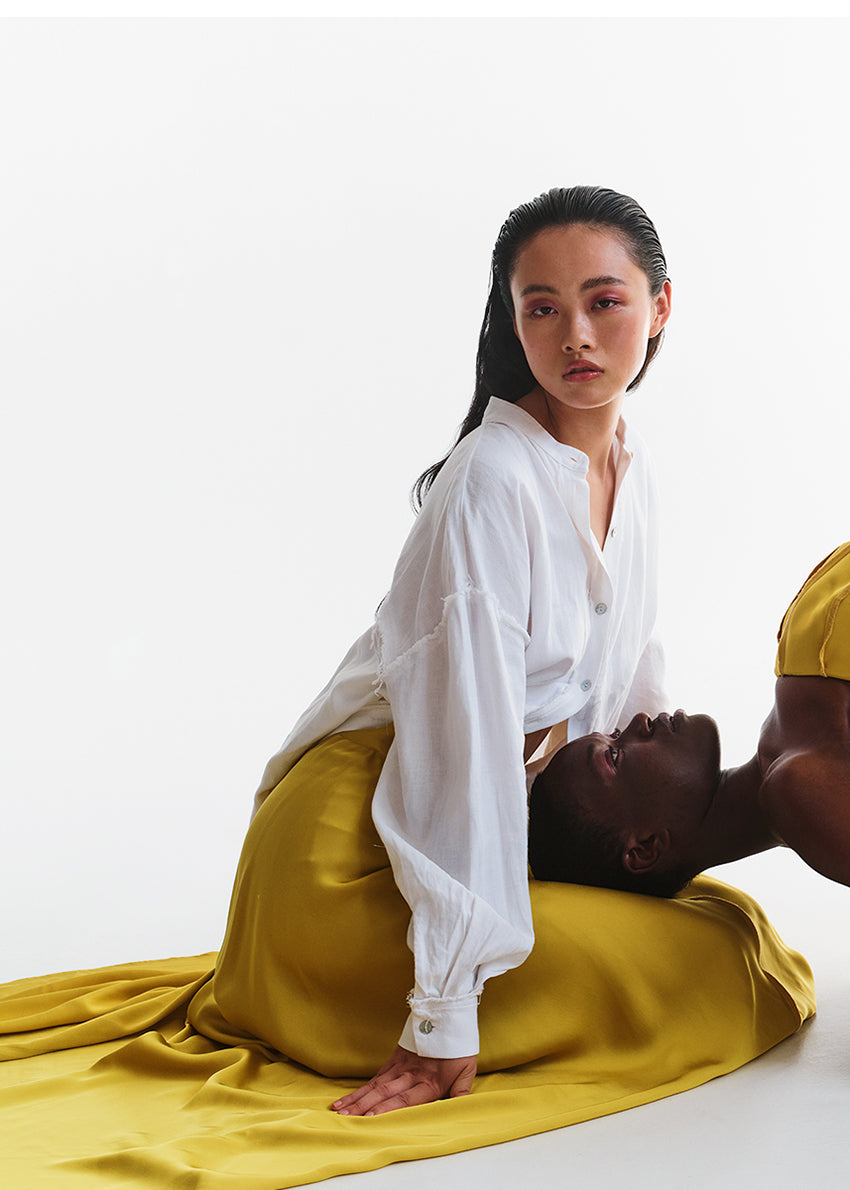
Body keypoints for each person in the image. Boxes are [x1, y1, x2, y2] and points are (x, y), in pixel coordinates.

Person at [241, 185, 673, 1116]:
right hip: (363, 831)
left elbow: (627, 690)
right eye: (542, 308)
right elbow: (463, 740)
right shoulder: (491, 480)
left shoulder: (629, 472)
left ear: (660, 307)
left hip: (465, 818)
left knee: (704, 948)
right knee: (678, 983)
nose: (576, 338)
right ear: (512, 322)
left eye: (605, 301)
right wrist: (440, 1012)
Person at [528, 542, 850, 898]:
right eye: (614, 755)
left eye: (615, 732)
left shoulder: (798, 730)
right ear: (646, 848)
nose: (638, 722)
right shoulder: (801, 788)